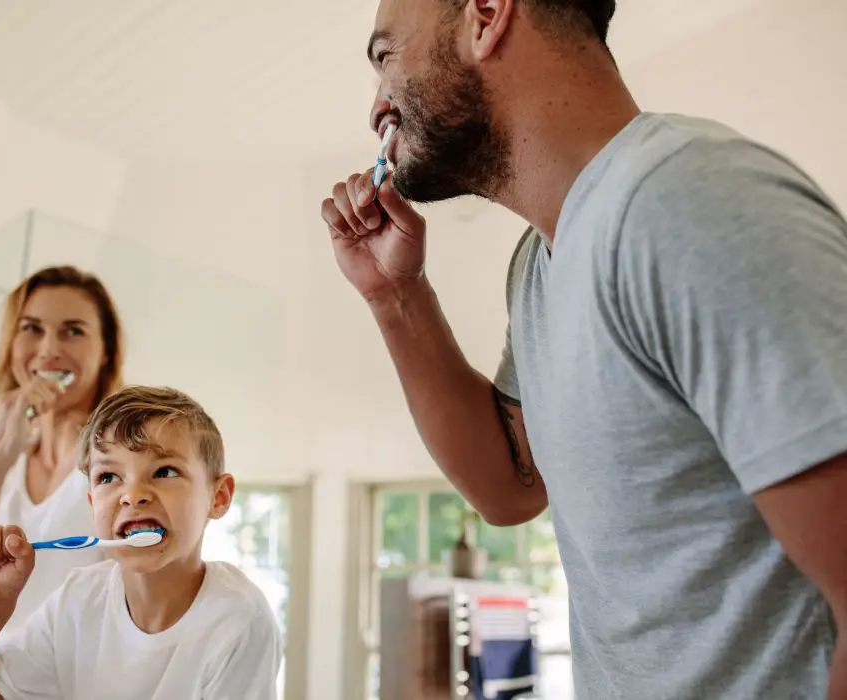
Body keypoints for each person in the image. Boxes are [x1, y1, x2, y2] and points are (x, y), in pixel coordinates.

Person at [320, 1, 847, 698]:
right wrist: (396, 297)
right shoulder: (540, 263)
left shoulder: (688, 203)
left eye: (386, 57)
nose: (378, 106)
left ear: (485, 15)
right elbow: (511, 487)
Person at [0, 385, 282, 700]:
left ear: (218, 497)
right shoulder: (78, 601)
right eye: (109, 476)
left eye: (165, 471)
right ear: (93, 504)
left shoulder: (238, 620)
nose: (133, 495)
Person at [0, 266, 125, 640]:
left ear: (105, 353)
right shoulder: (0, 468)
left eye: (73, 331)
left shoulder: (120, 464)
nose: (49, 351)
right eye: (31, 328)